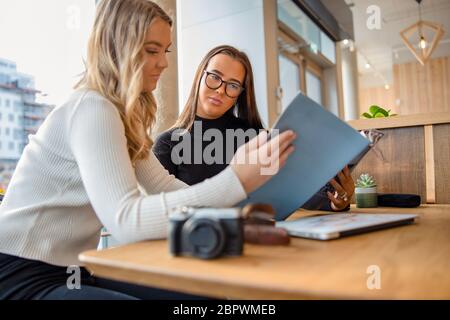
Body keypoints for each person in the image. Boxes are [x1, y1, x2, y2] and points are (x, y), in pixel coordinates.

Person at [0, 0, 295, 300]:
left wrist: (235, 216)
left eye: (165, 51)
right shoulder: (91, 107)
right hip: (21, 275)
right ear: (118, 47)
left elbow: (164, 186)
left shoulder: (120, 115)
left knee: (206, 297)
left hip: (73, 270)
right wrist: (236, 179)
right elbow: (125, 219)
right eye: (152, 50)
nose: (164, 63)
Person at [153, 45, 354, 212]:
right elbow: (161, 211)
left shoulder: (254, 138)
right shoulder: (168, 144)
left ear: (240, 94)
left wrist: (336, 201)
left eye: (232, 85)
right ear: (200, 76)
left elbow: (288, 192)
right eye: (214, 76)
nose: (221, 90)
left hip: (259, 241)